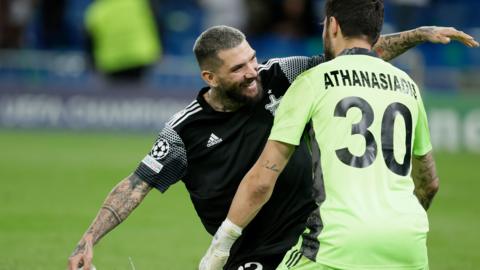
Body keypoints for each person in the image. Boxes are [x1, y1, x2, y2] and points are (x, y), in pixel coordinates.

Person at [68, 23, 478, 270]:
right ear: (210, 77)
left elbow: (353, 57)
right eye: (238, 69)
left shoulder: (281, 76)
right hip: (246, 247)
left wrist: (420, 35)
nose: (252, 73)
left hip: (309, 238)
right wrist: (89, 238)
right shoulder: (185, 132)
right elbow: (136, 185)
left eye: (252, 59)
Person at [199, 1, 479, 270]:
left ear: (332, 25)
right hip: (409, 242)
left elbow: (262, 180)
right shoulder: (408, 86)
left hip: (337, 243)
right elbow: (429, 184)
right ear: (375, 31)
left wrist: (221, 244)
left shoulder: (312, 82)